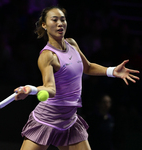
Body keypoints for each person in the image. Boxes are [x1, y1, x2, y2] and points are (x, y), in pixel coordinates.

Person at [14, 6, 140, 150]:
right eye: (54, 20)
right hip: (47, 119)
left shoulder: (72, 44)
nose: (60, 23)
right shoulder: (47, 56)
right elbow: (50, 89)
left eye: (62, 19)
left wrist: (111, 71)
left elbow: (88, 67)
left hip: (69, 120)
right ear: (44, 25)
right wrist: (30, 89)